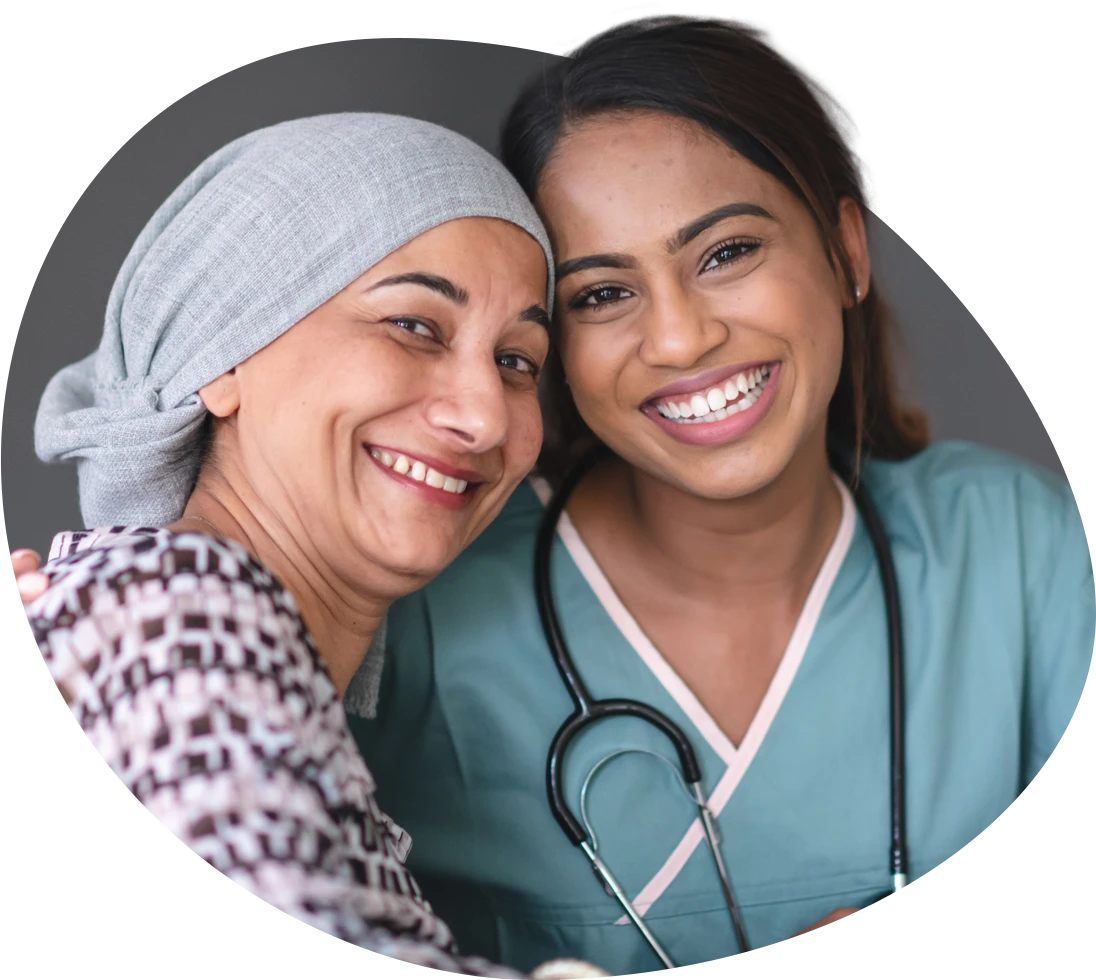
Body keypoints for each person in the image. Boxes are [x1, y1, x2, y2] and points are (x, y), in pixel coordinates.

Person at [334, 15, 1096, 975]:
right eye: (602, 295)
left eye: (726, 252)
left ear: (845, 251)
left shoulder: (1031, 551)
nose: (681, 339)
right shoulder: (425, 615)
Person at [11, 112, 605, 980]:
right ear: (223, 354)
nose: (483, 416)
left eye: (518, 360)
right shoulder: (177, 610)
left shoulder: (152, 617)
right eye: (414, 325)